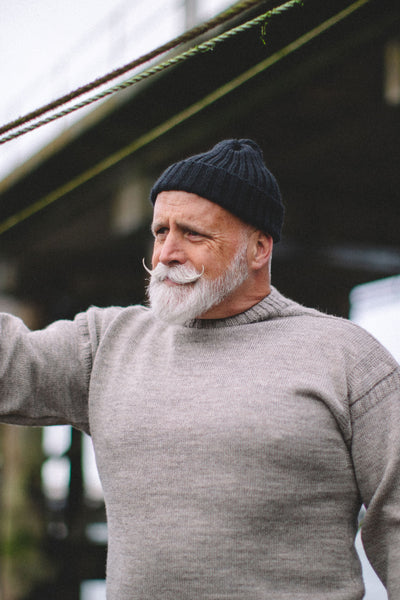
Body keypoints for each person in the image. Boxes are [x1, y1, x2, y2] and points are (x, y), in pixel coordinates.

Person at [1, 138, 399, 599]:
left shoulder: (347, 357)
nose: (166, 253)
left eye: (192, 234)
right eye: (160, 232)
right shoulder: (105, 343)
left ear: (258, 248)